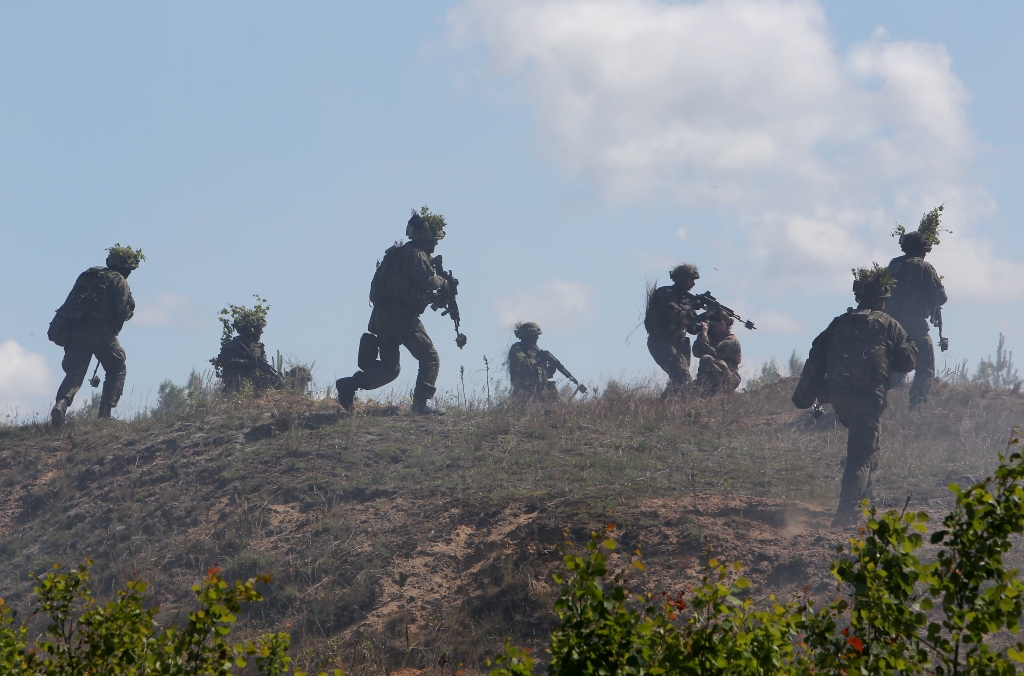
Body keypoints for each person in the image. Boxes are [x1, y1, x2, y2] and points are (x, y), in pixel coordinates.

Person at [792, 264, 917, 527]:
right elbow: (907, 362)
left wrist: (806, 394)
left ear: (859, 295)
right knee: (860, 455)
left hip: (839, 396)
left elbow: (816, 354)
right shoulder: (889, 325)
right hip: (869, 398)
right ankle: (845, 514)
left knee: (867, 448)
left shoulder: (838, 323)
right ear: (883, 299)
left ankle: (866, 501)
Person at [336, 207, 449, 415]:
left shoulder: (398, 254)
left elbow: (407, 287)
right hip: (401, 317)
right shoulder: (416, 254)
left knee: (390, 369)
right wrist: (442, 281)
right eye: (434, 239)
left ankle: (349, 384)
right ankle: (421, 404)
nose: (435, 244)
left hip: (382, 316)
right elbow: (426, 281)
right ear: (426, 237)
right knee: (429, 357)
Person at [49, 244, 144, 425]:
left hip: (76, 331)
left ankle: (60, 405)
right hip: (101, 333)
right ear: (127, 268)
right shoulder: (119, 281)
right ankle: (105, 415)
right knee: (117, 366)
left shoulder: (89, 275)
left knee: (75, 373)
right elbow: (124, 313)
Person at [886, 230, 947, 409]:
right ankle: (916, 407)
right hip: (914, 324)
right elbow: (940, 297)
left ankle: (878, 400)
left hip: (889, 324)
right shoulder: (924, 267)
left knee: (894, 366)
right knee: (925, 367)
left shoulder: (894, 265)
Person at [645, 263, 701, 398]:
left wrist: (706, 319)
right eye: (691, 280)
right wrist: (691, 305)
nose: (693, 284)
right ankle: (663, 405)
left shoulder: (685, 299)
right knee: (681, 375)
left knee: (682, 378)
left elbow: (691, 327)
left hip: (676, 343)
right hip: (661, 341)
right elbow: (676, 315)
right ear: (682, 279)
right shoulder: (666, 293)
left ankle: (665, 404)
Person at [210, 298, 283, 394]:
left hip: (253, 385)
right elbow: (224, 360)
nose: (261, 332)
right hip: (236, 386)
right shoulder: (237, 344)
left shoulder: (258, 347)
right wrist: (247, 363)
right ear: (252, 331)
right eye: (259, 329)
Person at [693, 309, 742, 396]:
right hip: (712, 377)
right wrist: (701, 335)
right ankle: (704, 388)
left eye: (713, 324)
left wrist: (705, 336)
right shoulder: (715, 338)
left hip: (729, 378)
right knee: (684, 388)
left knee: (706, 358)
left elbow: (714, 353)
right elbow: (697, 352)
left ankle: (716, 392)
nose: (712, 327)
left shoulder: (732, 342)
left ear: (722, 323)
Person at [507, 322, 559, 401]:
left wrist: (551, 369)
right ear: (528, 337)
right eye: (535, 336)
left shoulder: (536, 351)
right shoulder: (518, 349)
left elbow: (542, 376)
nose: (537, 338)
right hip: (525, 393)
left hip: (541, 393)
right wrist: (538, 360)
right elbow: (520, 365)